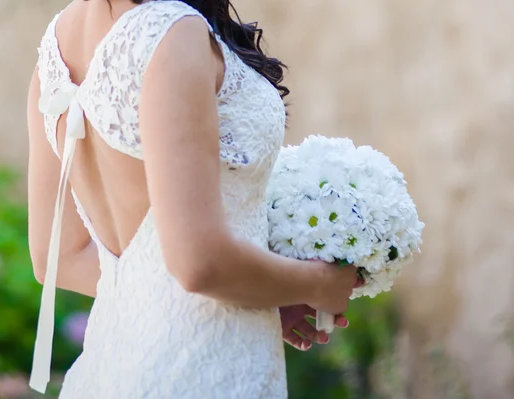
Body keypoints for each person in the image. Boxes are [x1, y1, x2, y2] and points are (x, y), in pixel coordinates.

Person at [26, 0, 361, 397]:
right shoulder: (171, 30)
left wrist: (253, 291)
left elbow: (58, 259)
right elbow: (198, 264)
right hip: (200, 373)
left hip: (111, 371)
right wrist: (319, 284)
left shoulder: (56, 49)